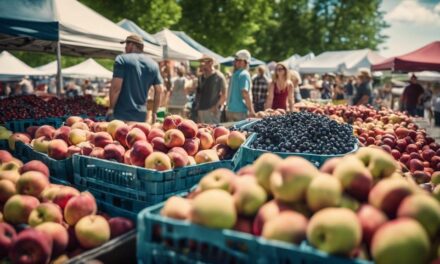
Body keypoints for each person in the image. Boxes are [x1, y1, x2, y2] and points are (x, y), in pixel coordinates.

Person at [107, 34, 163, 123]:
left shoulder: (122, 59)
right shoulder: (153, 64)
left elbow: (115, 88)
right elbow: (159, 90)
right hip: (141, 115)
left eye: (126, 45)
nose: (125, 48)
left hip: (121, 114)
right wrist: (154, 112)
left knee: (119, 136)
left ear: (131, 45)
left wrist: (111, 109)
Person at [195, 55, 227, 124]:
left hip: (212, 111)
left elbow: (224, 94)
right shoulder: (201, 76)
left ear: (210, 63)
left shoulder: (219, 76)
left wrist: (216, 106)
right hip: (201, 110)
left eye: (203, 62)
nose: (201, 64)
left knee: (213, 131)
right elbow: (199, 93)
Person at [225, 49, 255, 121]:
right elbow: (245, 92)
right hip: (240, 111)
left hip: (230, 110)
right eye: (236, 60)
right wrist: (251, 110)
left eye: (237, 60)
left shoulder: (235, 74)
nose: (235, 62)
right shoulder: (244, 74)